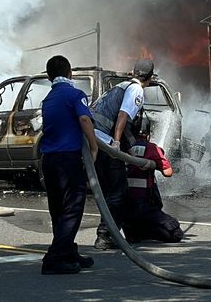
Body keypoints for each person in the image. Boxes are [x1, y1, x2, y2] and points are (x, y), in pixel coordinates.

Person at [39, 55, 99, 275]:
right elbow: (85, 120)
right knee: (72, 208)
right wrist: (94, 147)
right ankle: (54, 258)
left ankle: (68, 252)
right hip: (68, 160)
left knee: (58, 210)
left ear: (49, 76)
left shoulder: (49, 98)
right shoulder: (75, 94)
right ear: (70, 72)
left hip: (49, 161)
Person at [90, 59, 154, 250]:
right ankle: (105, 236)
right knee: (118, 192)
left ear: (133, 72)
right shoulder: (136, 90)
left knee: (107, 192)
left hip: (93, 141)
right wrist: (117, 144)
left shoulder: (118, 87)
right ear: (149, 78)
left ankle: (114, 233)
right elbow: (123, 116)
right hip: (107, 145)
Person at [123, 117, 184, 243]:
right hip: (145, 205)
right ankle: (147, 232)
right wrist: (154, 164)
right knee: (176, 233)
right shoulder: (151, 148)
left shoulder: (121, 147)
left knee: (134, 231)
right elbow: (168, 172)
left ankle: (137, 232)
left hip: (124, 207)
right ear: (148, 135)